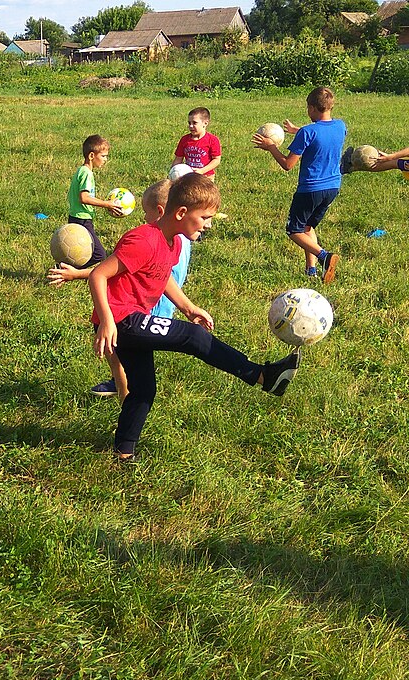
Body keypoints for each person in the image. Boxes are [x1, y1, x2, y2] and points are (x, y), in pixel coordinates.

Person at [89, 174, 300, 461]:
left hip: (131, 318)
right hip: (121, 320)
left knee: (143, 390)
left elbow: (160, 276)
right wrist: (107, 321)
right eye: (205, 217)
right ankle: (264, 376)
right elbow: (98, 275)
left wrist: (189, 307)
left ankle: (123, 453)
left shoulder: (172, 242)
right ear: (181, 213)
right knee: (192, 336)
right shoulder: (143, 240)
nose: (209, 224)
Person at [51, 179, 193, 400]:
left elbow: (107, 273)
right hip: (135, 314)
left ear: (160, 211)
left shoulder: (146, 240)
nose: (144, 218)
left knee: (120, 370)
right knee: (129, 370)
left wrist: (77, 276)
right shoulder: (175, 241)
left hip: (117, 315)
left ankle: (126, 409)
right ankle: (128, 404)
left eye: (146, 212)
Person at [252, 86, 344, 283]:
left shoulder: (308, 132)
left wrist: (271, 147)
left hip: (311, 189)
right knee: (307, 226)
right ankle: (310, 270)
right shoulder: (340, 126)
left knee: (294, 230)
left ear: (311, 107)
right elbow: (322, 134)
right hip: (333, 186)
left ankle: (324, 256)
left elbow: (287, 164)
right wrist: (299, 131)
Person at [65, 134, 127, 269]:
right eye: (103, 156)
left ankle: (67, 268)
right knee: (99, 254)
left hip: (78, 217)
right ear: (92, 156)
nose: (106, 160)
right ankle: (71, 270)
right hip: (81, 219)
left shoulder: (82, 171)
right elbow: (84, 198)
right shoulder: (86, 174)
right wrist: (107, 204)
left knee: (81, 250)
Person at [172, 107, 222, 179]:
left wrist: (202, 171)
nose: (191, 126)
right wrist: (172, 172)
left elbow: (216, 160)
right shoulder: (184, 140)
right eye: (189, 123)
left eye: (194, 123)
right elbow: (178, 159)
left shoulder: (212, 140)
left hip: (206, 176)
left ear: (205, 123)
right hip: (188, 175)